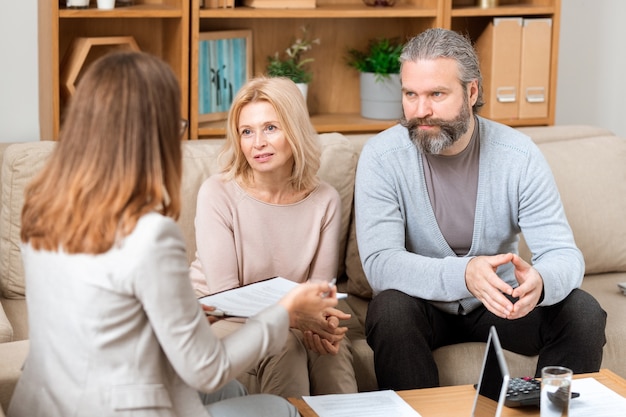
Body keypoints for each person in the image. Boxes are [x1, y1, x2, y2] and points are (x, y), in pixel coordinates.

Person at [8, 51, 339, 417]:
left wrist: (189, 312)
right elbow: (206, 368)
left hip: (45, 404)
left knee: (237, 390)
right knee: (281, 409)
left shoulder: (41, 211)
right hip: (121, 407)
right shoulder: (150, 234)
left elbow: (98, 312)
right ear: (153, 134)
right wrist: (283, 313)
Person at [354, 28, 607, 391]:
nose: (420, 110)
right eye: (411, 94)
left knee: (583, 312)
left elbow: (564, 254)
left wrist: (542, 281)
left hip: (501, 303)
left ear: (471, 92)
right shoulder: (382, 157)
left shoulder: (519, 156)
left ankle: (545, 412)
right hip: (421, 304)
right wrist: (465, 273)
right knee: (389, 310)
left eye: (437, 94)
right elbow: (381, 264)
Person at [189, 76, 358, 397]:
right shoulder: (218, 193)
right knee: (285, 345)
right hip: (221, 318)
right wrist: (295, 318)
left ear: (293, 130)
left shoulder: (325, 199)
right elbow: (226, 294)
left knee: (332, 353)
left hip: (289, 318)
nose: (258, 143)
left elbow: (318, 293)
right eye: (247, 132)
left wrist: (321, 323)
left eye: (270, 128)